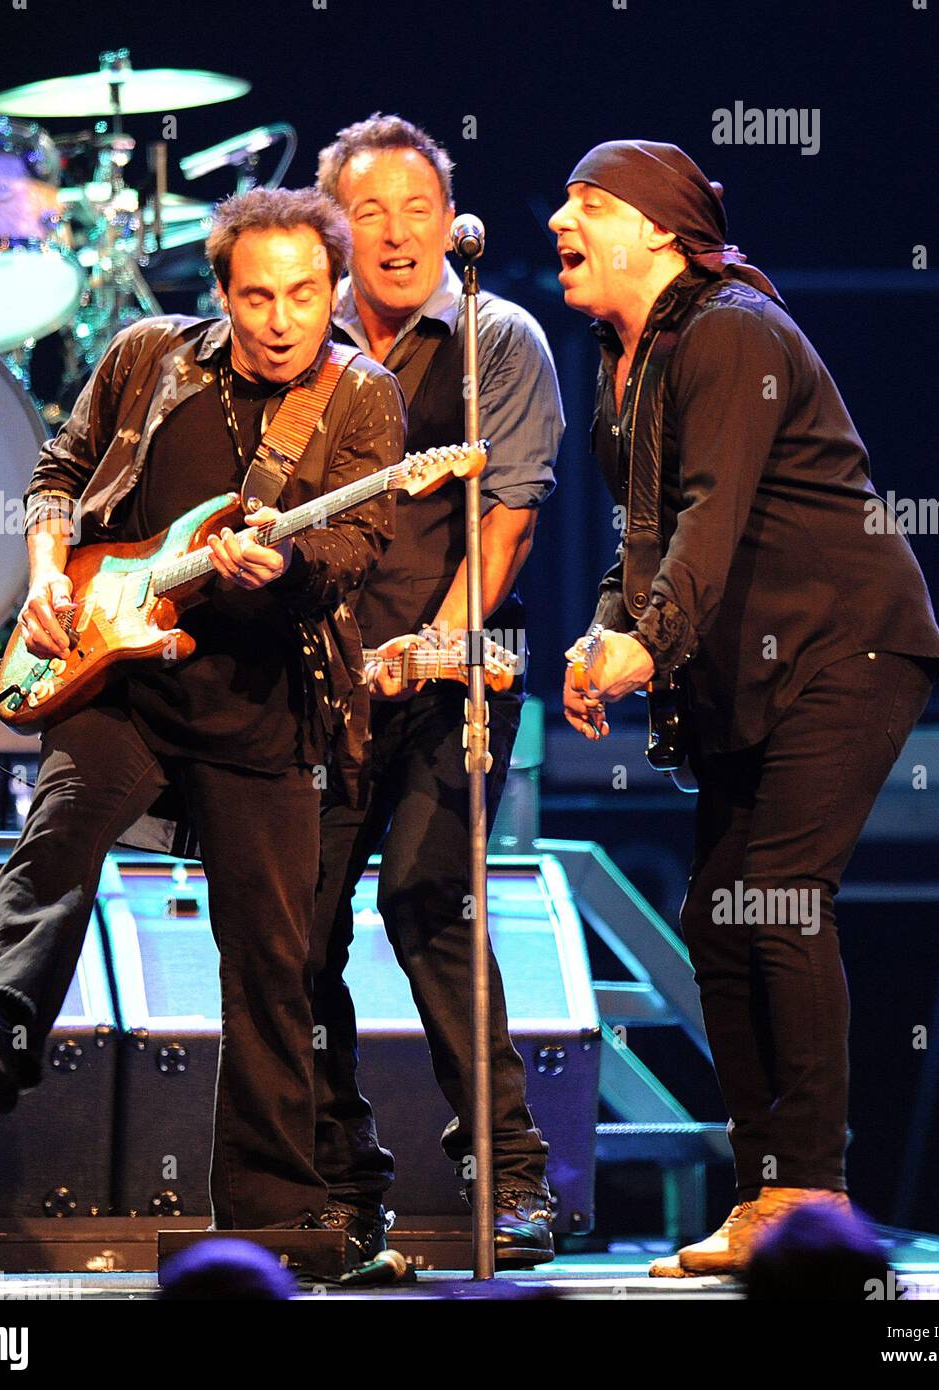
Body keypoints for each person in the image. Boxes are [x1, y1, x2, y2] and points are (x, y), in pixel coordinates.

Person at [0, 187, 404, 1232]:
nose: (282, 319)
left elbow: (358, 551)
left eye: (307, 294)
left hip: (267, 703)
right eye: (259, 295)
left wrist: (278, 566)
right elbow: (58, 472)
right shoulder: (150, 353)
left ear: (335, 290)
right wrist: (47, 571)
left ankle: (273, 1221)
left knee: (271, 968)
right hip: (125, 674)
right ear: (220, 292)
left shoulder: (361, 399)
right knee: (58, 837)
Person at [552, 141, 939, 1276]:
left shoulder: (729, 328)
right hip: (746, 670)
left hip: (846, 646)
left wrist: (647, 642)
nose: (559, 226)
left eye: (588, 206)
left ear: (657, 231)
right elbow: (646, 535)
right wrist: (601, 635)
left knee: (777, 894)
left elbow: (711, 518)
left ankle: (814, 1189)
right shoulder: (625, 357)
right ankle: (762, 1190)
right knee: (718, 916)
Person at [310, 114, 563, 1266]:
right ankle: (341, 1187)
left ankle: (512, 1180)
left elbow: (505, 517)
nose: (399, 233)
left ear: (447, 219)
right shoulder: (298, 343)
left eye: (418, 207)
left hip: (447, 676)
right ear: (334, 229)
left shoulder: (495, 339)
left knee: (428, 899)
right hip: (315, 681)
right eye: (371, 212)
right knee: (294, 931)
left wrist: (429, 647)